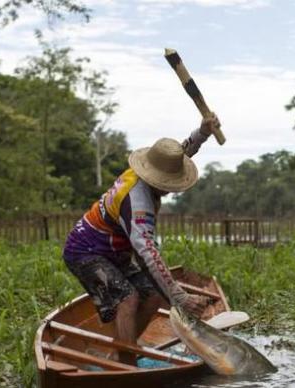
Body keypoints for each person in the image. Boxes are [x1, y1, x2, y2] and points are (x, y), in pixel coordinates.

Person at [62, 113, 221, 364]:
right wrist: (179, 296)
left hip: (115, 251)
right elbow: (147, 253)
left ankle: (123, 347)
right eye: (169, 183)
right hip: (86, 250)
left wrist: (202, 133)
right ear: (156, 178)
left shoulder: (151, 170)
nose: (170, 188)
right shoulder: (138, 201)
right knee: (128, 298)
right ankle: (126, 363)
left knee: (154, 293)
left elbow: (178, 155)